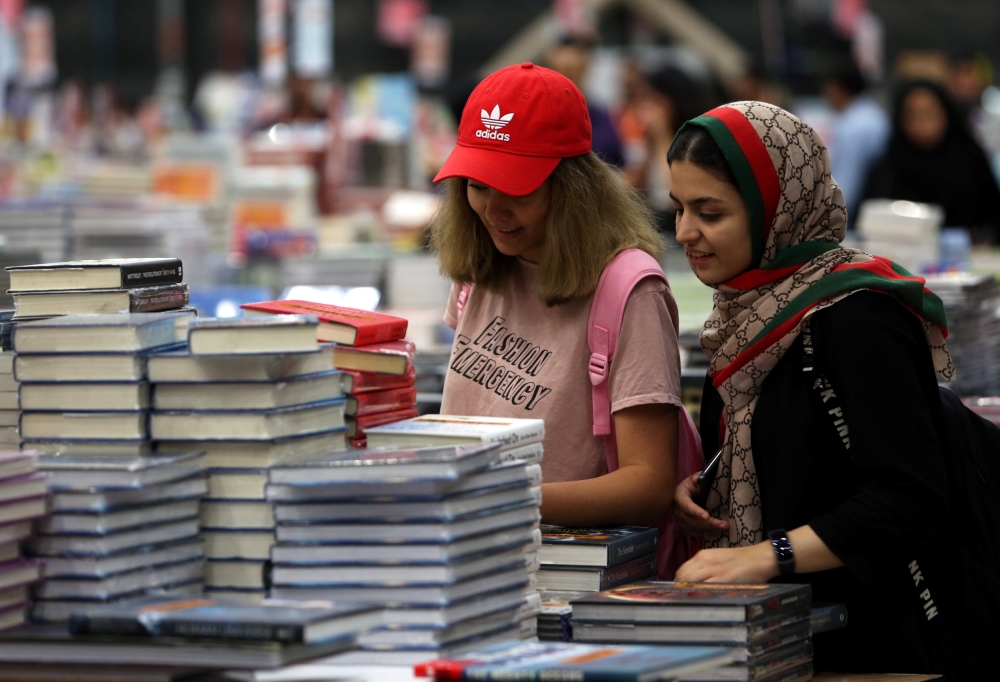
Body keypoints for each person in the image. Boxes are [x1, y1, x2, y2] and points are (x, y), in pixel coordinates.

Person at [667, 101, 969, 675]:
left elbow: (908, 497)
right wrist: (713, 485)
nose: (685, 232)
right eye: (679, 208)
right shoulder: (743, 311)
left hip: (876, 643)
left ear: (775, 211)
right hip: (782, 638)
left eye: (710, 212)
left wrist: (768, 556)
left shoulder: (858, 316)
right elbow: (801, 450)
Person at [431, 62, 681, 528]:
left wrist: (500, 497)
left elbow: (648, 484)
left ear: (572, 188)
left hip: (569, 572)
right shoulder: (480, 266)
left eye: (516, 189)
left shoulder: (630, 291)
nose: (492, 209)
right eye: (477, 186)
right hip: (467, 546)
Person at [862, 80, 1000, 241]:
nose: (923, 124)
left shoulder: (970, 158)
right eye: (913, 115)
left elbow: (992, 217)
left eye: (929, 113)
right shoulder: (889, 164)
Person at [821, 59, 890, 224]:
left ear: (837, 90)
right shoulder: (872, 113)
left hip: (858, 211)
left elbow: (846, 185)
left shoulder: (853, 126)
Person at [546, 38, 624, 167]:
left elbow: (622, 162)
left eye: (575, 70)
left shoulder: (604, 114)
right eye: (563, 70)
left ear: (586, 68)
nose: (569, 79)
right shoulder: (542, 118)